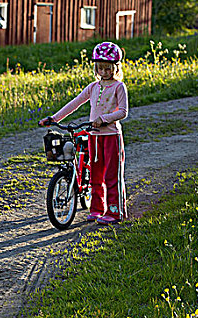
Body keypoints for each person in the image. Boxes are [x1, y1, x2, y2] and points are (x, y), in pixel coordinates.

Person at [39, 41, 128, 225]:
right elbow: (75, 103)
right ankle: (97, 209)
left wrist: (103, 119)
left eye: (108, 68)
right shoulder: (93, 87)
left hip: (111, 136)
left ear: (115, 68)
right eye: (100, 68)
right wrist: (54, 118)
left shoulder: (119, 87)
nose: (104, 72)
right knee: (95, 174)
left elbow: (123, 112)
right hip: (94, 136)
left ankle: (115, 211)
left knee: (111, 175)